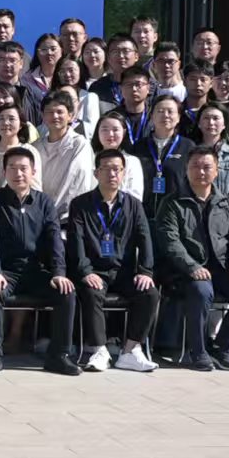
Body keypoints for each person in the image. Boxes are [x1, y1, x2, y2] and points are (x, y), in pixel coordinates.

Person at [0, 146, 77, 376]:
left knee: (66, 292)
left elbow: (54, 239)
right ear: (4, 172)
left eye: (23, 168)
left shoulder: (44, 202)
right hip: (5, 271)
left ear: (33, 172)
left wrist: (59, 273)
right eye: (12, 168)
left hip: (35, 271)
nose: (18, 173)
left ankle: (59, 356)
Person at [155, 145, 229, 372]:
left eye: (206, 167)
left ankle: (223, 347)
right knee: (201, 290)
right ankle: (199, 351)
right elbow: (170, 242)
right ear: (186, 169)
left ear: (217, 171)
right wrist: (191, 266)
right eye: (195, 166)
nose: (200, 172)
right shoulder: (172, 203)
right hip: (184, 271)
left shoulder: (227, 203)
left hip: (222, 268)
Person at [67, 148, 158, 374]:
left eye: (117, 169)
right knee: (90, 291)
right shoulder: (80, 204)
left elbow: (145, 239)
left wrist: (145, 271)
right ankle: (99, 350)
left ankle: (130, 350)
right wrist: (86, 271)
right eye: (106, 169)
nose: (112, 174)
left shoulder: (134, 205)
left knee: (149, 293)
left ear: (124, 173)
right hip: (95, 271)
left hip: (123, 272)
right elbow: (76, 243)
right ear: (96, 173)